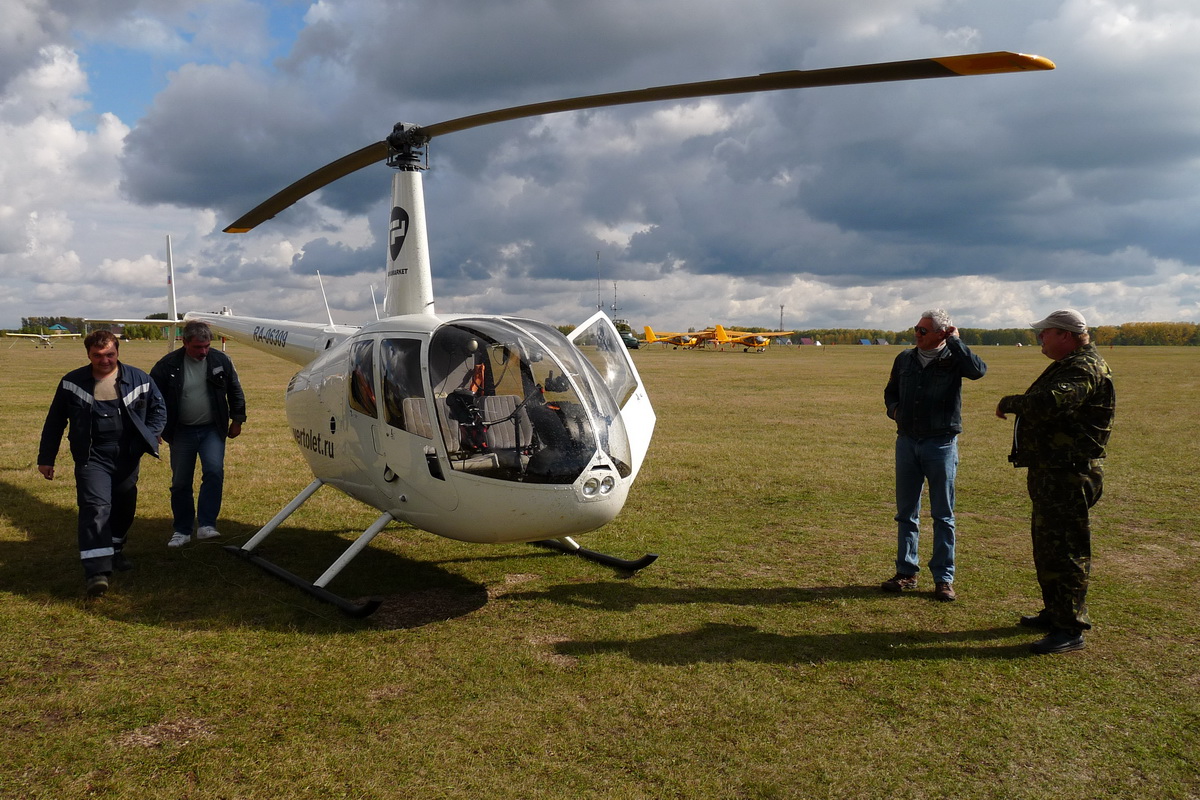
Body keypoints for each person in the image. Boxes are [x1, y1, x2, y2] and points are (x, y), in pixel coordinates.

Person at [996, 309, 1114, 655]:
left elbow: (1051, 402)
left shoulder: (1083, 367)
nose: (1040, 339)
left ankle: (1069, 628)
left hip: (1069, 473)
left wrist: (1011, 402)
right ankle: (1056, 612)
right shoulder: (1070, 363)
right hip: (1054, 471)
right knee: (1049, 548)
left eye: (1044, 333)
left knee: (1066, 551)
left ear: (1065, 334)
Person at [37, 330, 167, 597]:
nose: (105, 360)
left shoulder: (140, 379)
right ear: (88, 354)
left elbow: (159, 410)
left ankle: (115, 550)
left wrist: (149, 435)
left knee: (124, 506)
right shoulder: (71, 382)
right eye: (97, 355)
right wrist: (46, 458)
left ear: (117, 352)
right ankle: (96, 572)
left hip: (128, 455)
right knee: (95, 507)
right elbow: (55, 422)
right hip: (92, 456)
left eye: (110, 354)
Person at [882, 309, 987, 601]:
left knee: (943, 514)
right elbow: (890, 392)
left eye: (923, 331)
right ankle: (906, 572)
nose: (917, 334)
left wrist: (956, 342)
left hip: (941, 444)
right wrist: (895, 411)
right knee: (906, 513)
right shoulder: (905, 358)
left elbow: (978, 371)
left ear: (942, 333)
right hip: (907, 442)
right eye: (916, 329)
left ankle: (943, 579)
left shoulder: (954, 358)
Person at [151, 320, 246, 548]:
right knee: (180, 481)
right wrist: (154, 428)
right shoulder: (167, 365)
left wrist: (238, 419)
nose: (203, 352)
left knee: (214, 472)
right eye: (197, 347)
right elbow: (152, 398)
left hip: (212, 429)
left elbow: (235, 390)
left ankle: (207, 525)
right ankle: (182, 530)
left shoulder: (221, 361)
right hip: (180, 431)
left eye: (206, 346)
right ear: (184, 342)